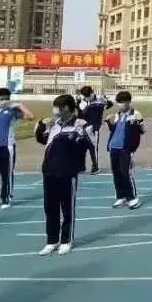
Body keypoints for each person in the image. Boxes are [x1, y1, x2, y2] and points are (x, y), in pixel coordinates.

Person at [34, 94, 95, 256]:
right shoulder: (53, 125)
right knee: (50, 208)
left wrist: (79, 135)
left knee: (67, 208)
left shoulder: (81, 125)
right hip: (49, 170)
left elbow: (90, 145)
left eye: (58, 107)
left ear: (66, 108)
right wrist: (41, 125)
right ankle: (52, 240)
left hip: (68, 171)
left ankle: (66, 240)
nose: (55, 111)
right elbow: (42, 140)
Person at [104, 91, 144, 209]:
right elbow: (115, 130)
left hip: (125, 148)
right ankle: (120, 196)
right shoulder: (117, 114)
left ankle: (132, 198)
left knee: (125, 173)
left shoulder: (135, 113)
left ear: (128, 102)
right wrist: (109, 122)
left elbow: (143, 130)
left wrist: (138, 122)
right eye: (118, 102)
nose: (120, 104)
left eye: (122, 102)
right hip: (114, 147)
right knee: (116, 173)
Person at [76, 86, 113, 175]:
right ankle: (81, 167)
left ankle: (95, 166)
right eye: (85, 96)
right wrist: (78, 103)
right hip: (83, 127)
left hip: (95, 126)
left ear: (92, 92)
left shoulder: (100, 98)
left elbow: (109, 104)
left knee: (94, 146)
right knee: (81, 146)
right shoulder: (82, 101)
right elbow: (81, 114)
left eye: (88, 96)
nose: (87, 98)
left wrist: (105, 104)